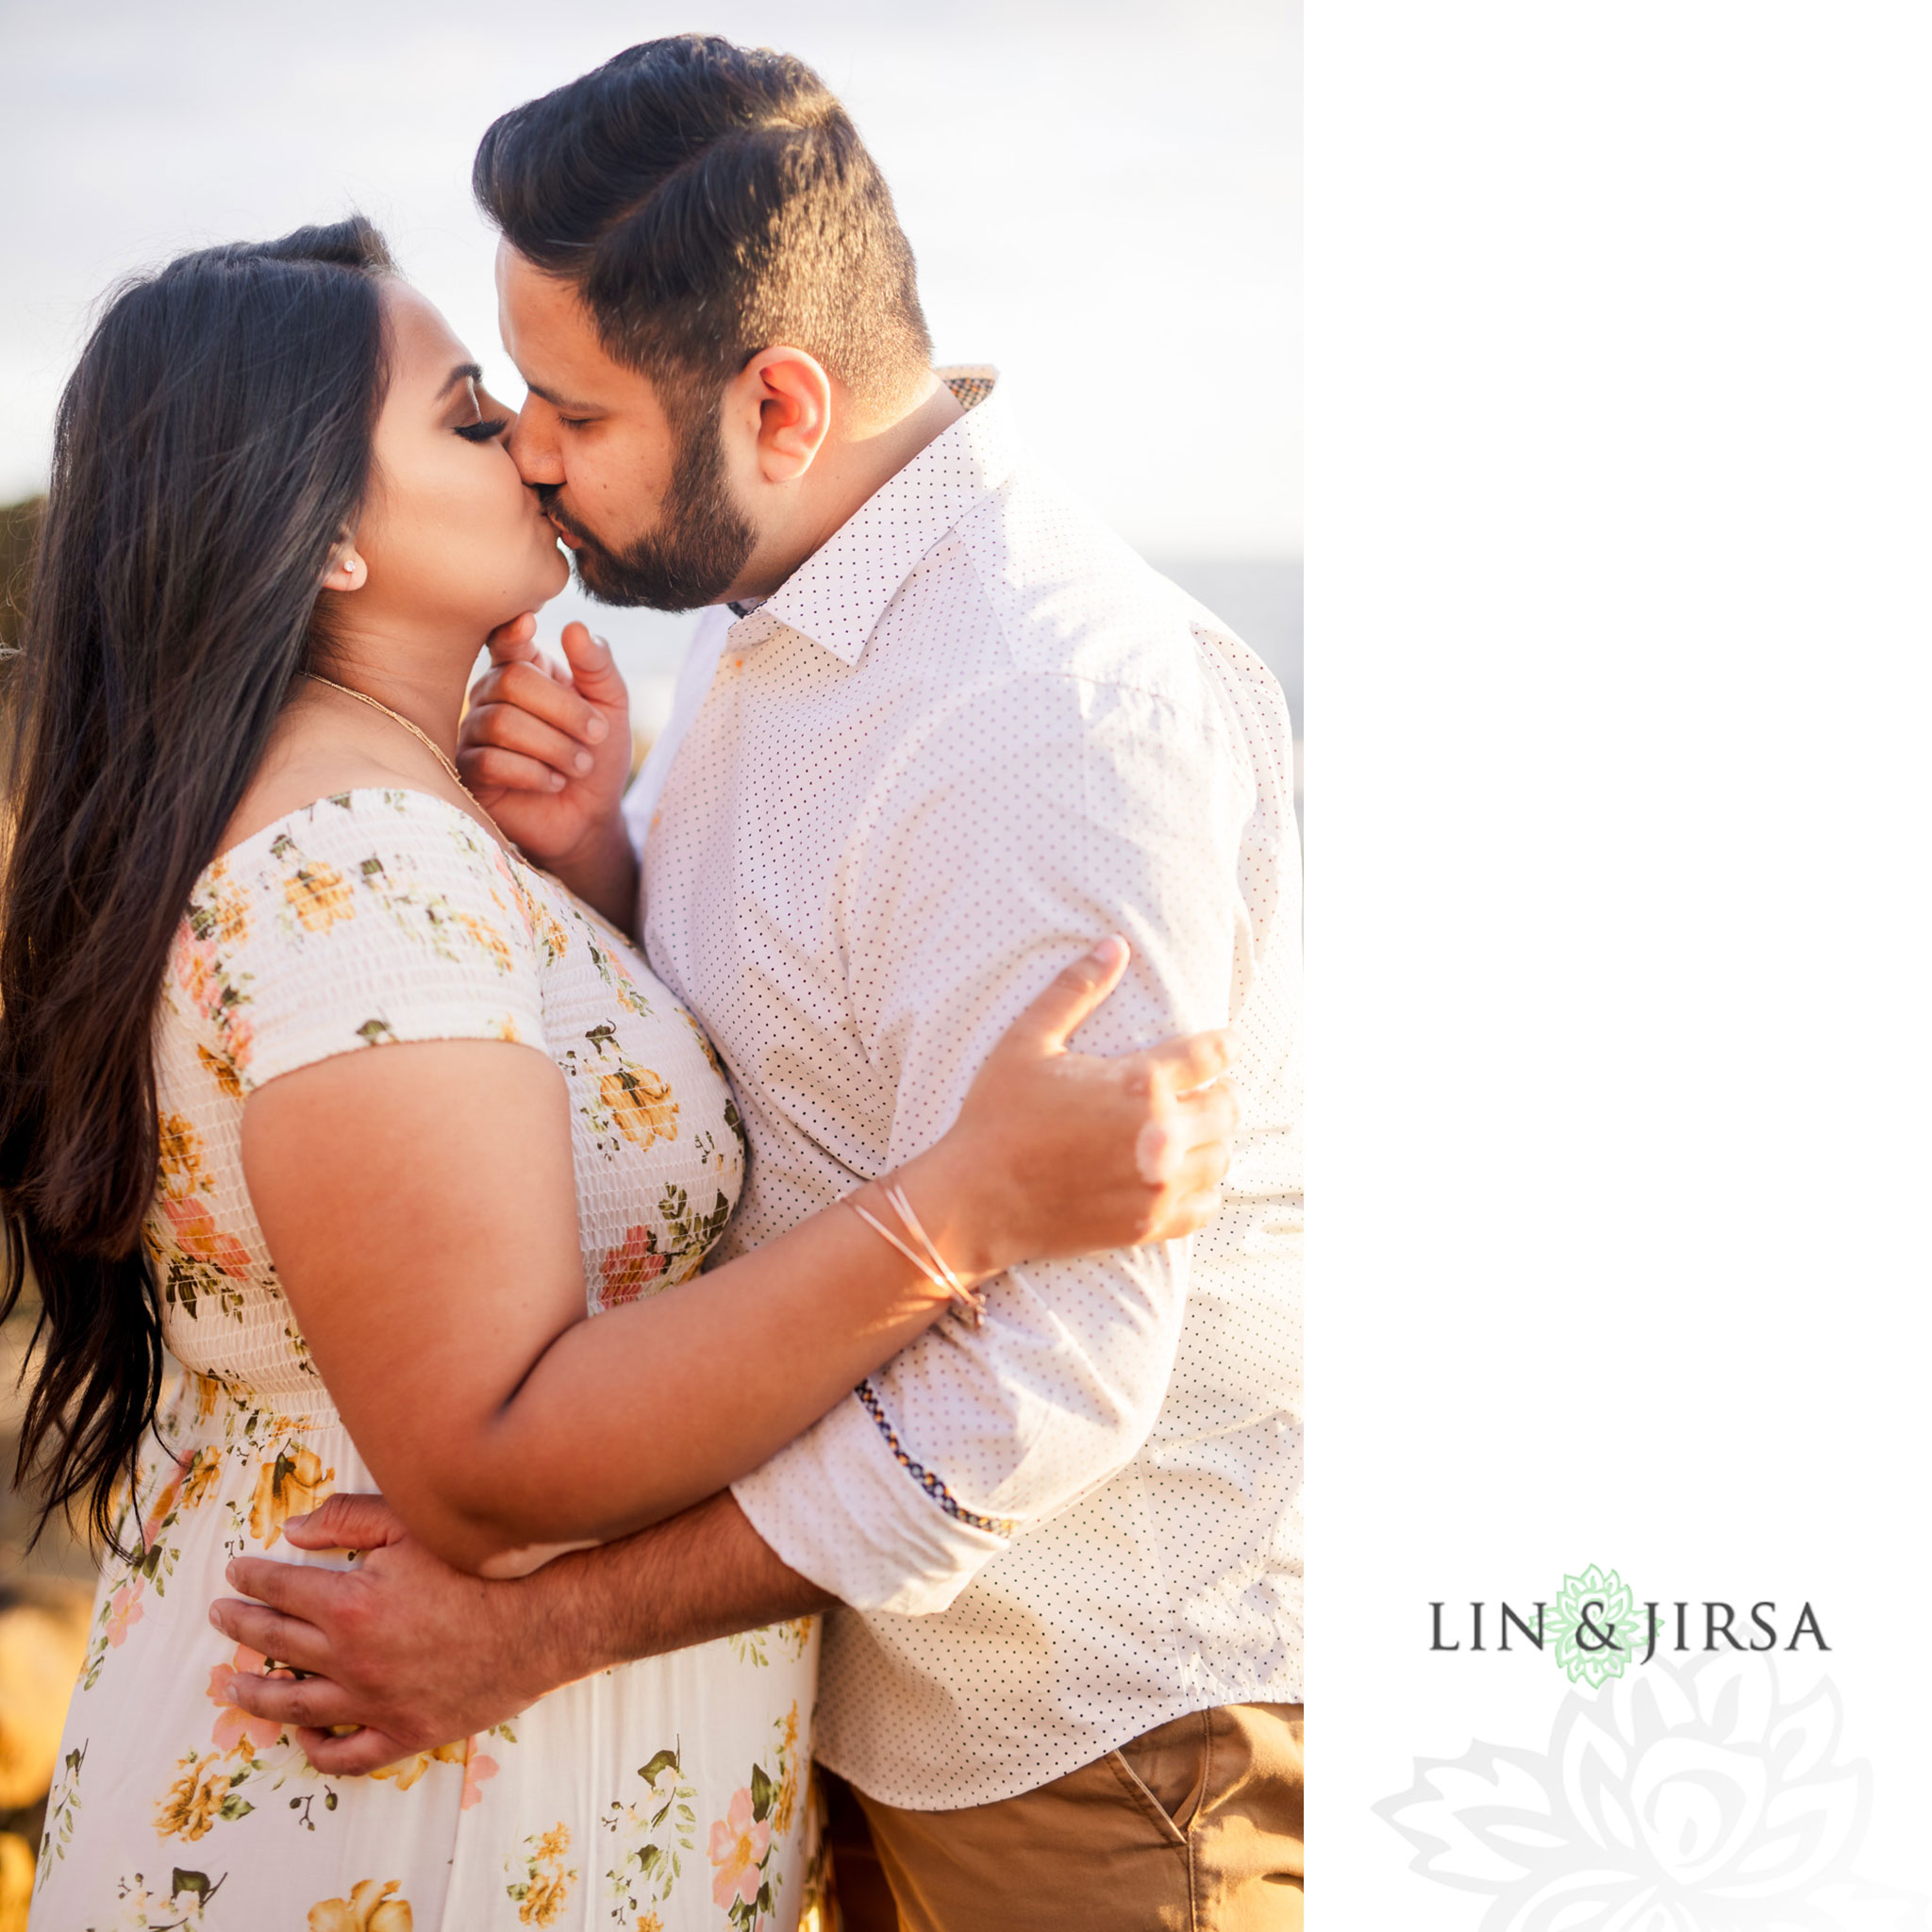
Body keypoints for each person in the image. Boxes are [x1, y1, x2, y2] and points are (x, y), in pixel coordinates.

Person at [0, 214, 1237, 1931]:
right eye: (463, 417)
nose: (524, 443)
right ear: (328, 538)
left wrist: (591, 879)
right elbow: (491, 1456)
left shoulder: (402, 827)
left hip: (470, 1769)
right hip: (430, 1812)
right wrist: (961, 1208)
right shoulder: (360, 866)